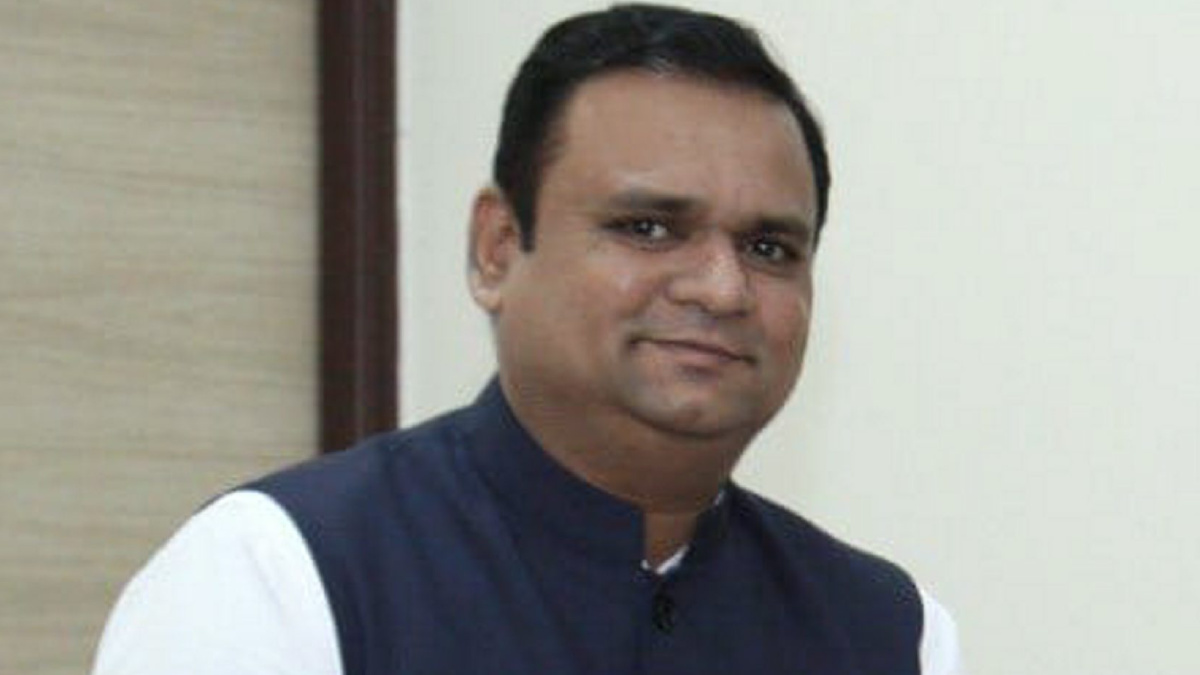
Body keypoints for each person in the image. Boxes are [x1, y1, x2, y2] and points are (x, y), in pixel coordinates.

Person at [92, 4, 961, 674]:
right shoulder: (278, 575)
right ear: (498, 249)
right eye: (649, 227)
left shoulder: (891, 631)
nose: (721, 287)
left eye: (769, 248)